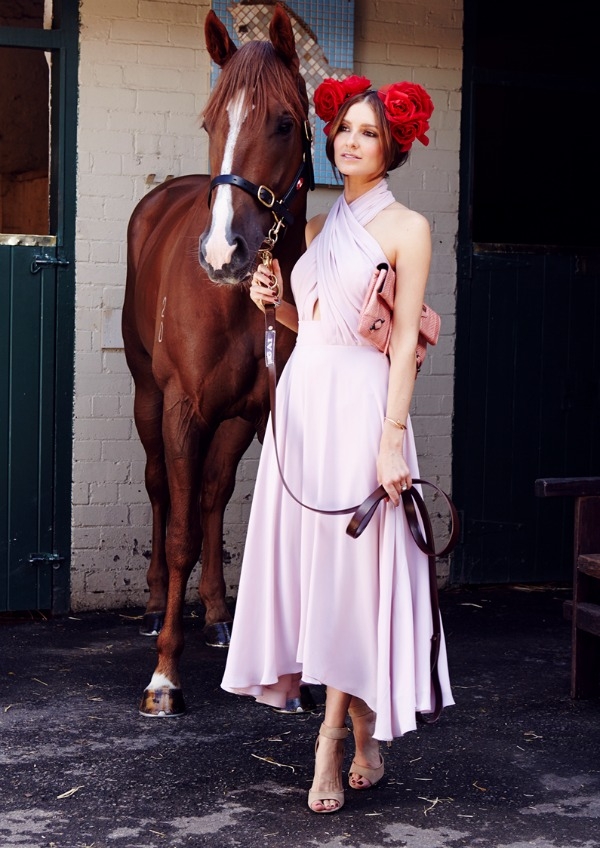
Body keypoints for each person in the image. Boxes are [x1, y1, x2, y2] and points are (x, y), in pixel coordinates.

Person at [221, 75, 454, 814]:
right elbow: (313, 324)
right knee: (319, 577)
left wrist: (391, 442)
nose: (351, 141)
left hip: (361, 412)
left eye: (369, 132)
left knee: (352, 579)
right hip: (303, 406)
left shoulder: (407, 229)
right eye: (345, 129)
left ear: (393, 146)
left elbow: (399, 349)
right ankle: (363, 733)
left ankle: (328, 742)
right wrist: (274, 302)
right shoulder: (317, 229)